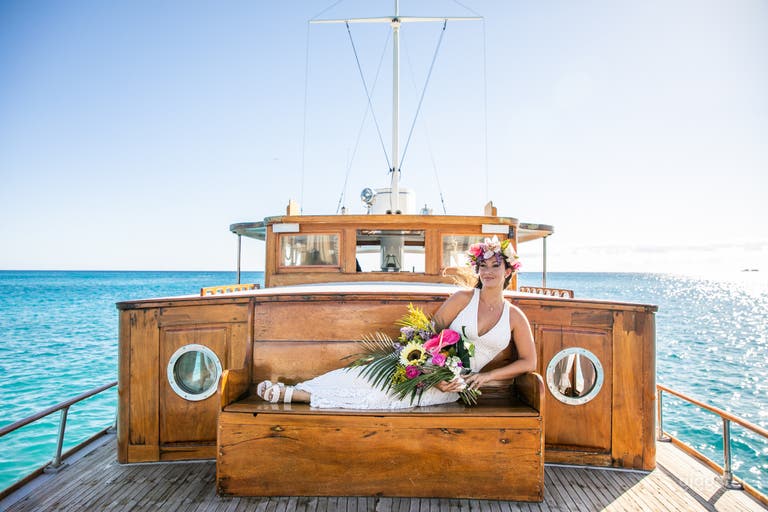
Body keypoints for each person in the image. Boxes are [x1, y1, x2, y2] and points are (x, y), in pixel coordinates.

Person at [256, 236, 537, 408]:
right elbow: (428, 333)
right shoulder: (464, 298)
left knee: (392, 398)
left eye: (495, 266)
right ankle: (301, 391)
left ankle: (298, 395)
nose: (488, 272)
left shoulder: (514, 316)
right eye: (483, 266)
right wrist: (430, 373)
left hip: (456, 386)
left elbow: (528, 361)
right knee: (368, 376)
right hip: (426, 368)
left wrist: (485, 377)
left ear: (509, 269)